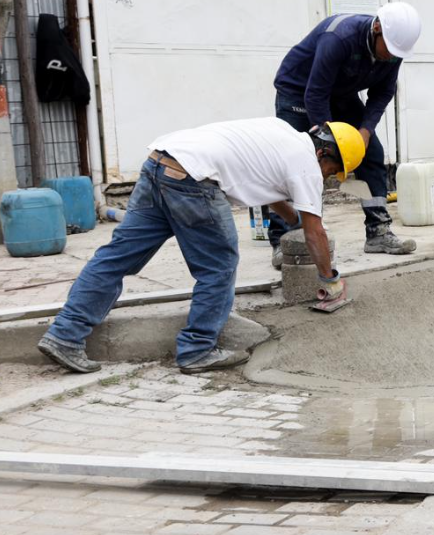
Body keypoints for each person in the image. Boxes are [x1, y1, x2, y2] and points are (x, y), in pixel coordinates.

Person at [37, 118, 365, 375]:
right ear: (323, 154)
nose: (329, 178)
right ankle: (197, 349)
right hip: (194, 180)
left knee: (116, 258)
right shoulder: (307, 165)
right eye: (333, 171)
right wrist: (329, 280)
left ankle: (65, 335)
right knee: (219, 265)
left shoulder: (283, 134)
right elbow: (315, 232)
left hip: (159, 163)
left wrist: (292, 218)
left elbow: (272, 190)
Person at [271, 2, 423, 266]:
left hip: (340, 93)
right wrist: (327, 141)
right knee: (294, 160)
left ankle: (378, 232)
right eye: (388, 49)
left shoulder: (393, 51)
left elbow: (383, 93)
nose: (390, 56)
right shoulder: (339, 38)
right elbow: (315, 93)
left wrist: (364, 131)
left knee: (371, 151)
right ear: (376, 28)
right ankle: (284, 240)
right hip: (298, 90)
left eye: (397, 53)